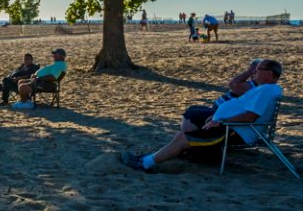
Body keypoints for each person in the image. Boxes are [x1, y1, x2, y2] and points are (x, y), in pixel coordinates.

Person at [121, 59, 283, 171]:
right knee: (185, 131)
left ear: (269, 74)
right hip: (230, 126)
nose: (255, 72)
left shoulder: (266, 90)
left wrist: (221, 121)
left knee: (183, 138)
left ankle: (145, 163)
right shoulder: (265, 89)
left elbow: (250, 117)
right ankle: (148, 159)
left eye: (259, 69)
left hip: (233, 130)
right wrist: (217, 117)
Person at [180, 59, 261, 132]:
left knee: (192, 113)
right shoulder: (253, 84)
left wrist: (250, 71)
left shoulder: (254, 86)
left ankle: (187, 137)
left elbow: (233, 84)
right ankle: (185, 136)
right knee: (193, 109)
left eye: (252, 68)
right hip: (222, 111)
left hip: (223, 114)